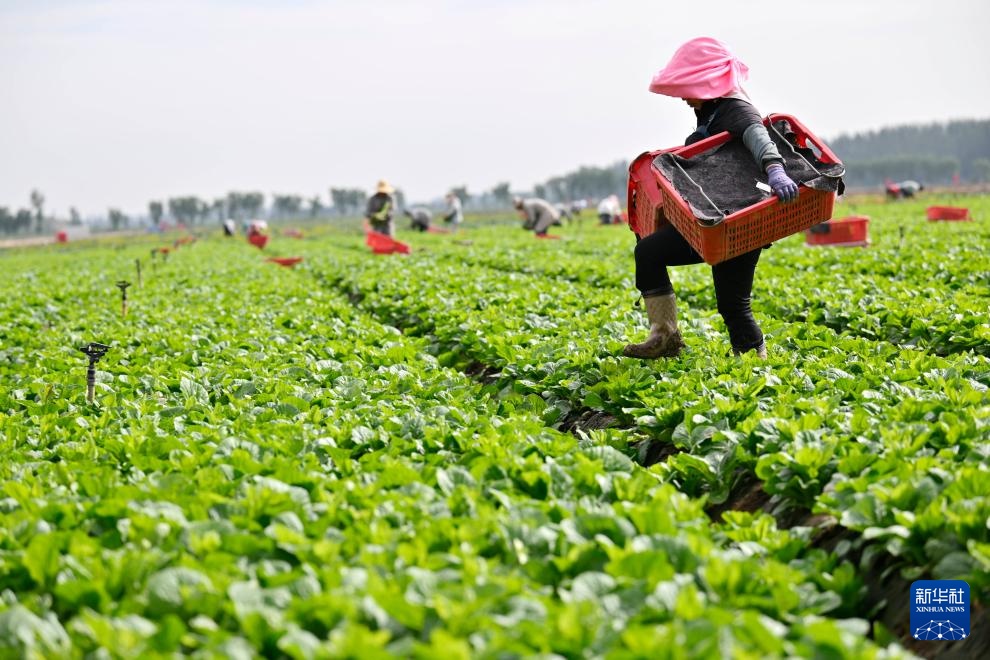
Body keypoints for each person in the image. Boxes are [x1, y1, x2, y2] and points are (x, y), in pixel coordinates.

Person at [623, 37, 800, 361]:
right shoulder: (710, 115)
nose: (683, 98)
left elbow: (759, 137)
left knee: (733, 303)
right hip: (712, 217)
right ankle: (665, 335)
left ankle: (754, 366)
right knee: (648, 252)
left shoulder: (735, 108)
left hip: (739, 219)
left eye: (687, 89)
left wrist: (775, 169)